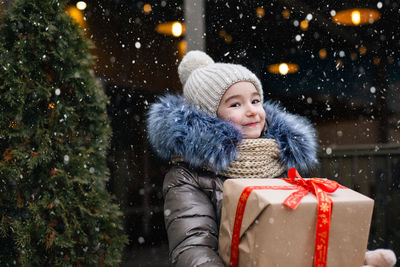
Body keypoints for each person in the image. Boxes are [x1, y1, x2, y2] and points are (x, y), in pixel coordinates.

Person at [147, 51, 396, 267]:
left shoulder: (276, 158)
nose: (252, 110)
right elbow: (193, 250)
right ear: (209, 116)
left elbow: (300, 228)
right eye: (235, 104)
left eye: (256, 100)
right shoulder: (187, 175)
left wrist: (345, 255)